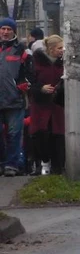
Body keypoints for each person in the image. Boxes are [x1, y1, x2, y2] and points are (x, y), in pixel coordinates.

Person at [29, 36, 65, 175]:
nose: (62, 51)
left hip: (57, 105)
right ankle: (44, 162)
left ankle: (58, 167)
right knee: (41, 134)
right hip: (41, 105)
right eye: (59, 48)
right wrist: (41, 88)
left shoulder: (63, 64)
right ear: (51, 49)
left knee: (58, 135)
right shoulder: (37, 63)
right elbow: (31, 82)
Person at [0, 17, 30, 176]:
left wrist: (23, 85)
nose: (5, 32)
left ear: (13, 31)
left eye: (8, 29)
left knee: (14, 134)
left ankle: (11, 165)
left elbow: (30, 72)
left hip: (14, 99)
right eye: (3, 29)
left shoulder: (21, 50)